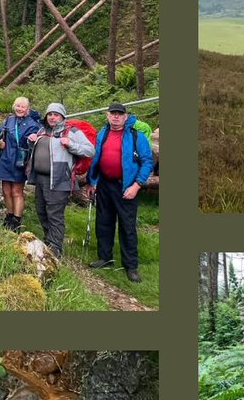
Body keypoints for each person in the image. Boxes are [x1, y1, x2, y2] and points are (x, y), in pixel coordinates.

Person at [87, 102, 153, 284]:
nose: (115, 117)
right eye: (112, 114)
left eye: (119, 114)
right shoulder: (103, 133)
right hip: (104, 185)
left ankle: (131, 266)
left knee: (127, 227)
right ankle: (105, 257)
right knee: (104, 223)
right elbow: (97, 158)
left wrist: (136, 186)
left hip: (126, 187)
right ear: (107, 116)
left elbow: (147, 162)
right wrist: (92, 181)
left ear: (125, 116)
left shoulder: (136, 136)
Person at [26, 102, 94, 257]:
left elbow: (90, 150)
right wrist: (32, 142)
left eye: (56, 114)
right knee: (41, 211)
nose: (52, 117)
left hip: (60, 179)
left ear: (62, 116)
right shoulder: (43, 130)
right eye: (50, 114)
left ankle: (56, 248)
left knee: (55, 214)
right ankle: (48, 241)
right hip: (41, 179)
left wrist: (71, 144)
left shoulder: (72, 132)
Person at [0, 96, 41, 231]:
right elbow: (0, 134)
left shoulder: (32, 124)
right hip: (5, 158)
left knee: (16, 191)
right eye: (18, 106)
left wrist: (33, 139)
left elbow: (36, 142)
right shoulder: (9, 120)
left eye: (23, 107)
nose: (20, 109)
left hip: (20, 160)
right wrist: (1, 142)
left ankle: (17, 220)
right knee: (6, 190)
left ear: (27, 109)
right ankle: (9, 216)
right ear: (14, 106)